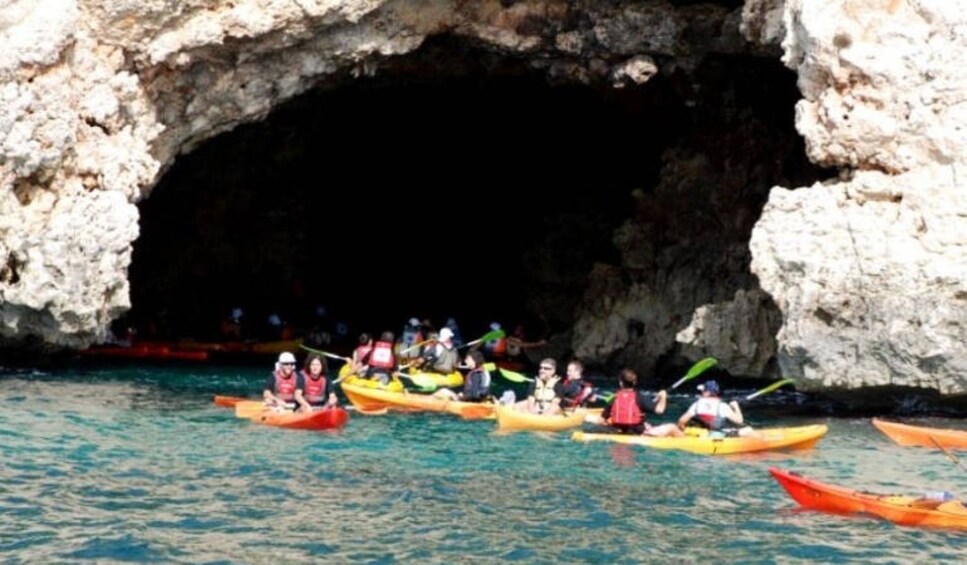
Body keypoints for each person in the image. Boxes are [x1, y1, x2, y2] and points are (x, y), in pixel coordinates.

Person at [600, 368, 678, 436]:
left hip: (617, 431)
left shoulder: (614, 398)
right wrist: (663, 396)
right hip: (640, 433)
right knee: (672, 427)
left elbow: (601, 420)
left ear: (620, 383)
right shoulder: (640, 397)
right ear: (634, 382)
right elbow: (660, 410)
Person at [676, 380, 754, 437]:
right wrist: (736, 406)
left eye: (703, 391)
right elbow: (739, 421)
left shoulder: (696, 404)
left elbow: (681, 421)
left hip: (698, 434)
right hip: (716, 436)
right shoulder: (722, 406)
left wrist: (682, 429)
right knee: (748, 430)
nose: (702, 392)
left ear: (707, 392)